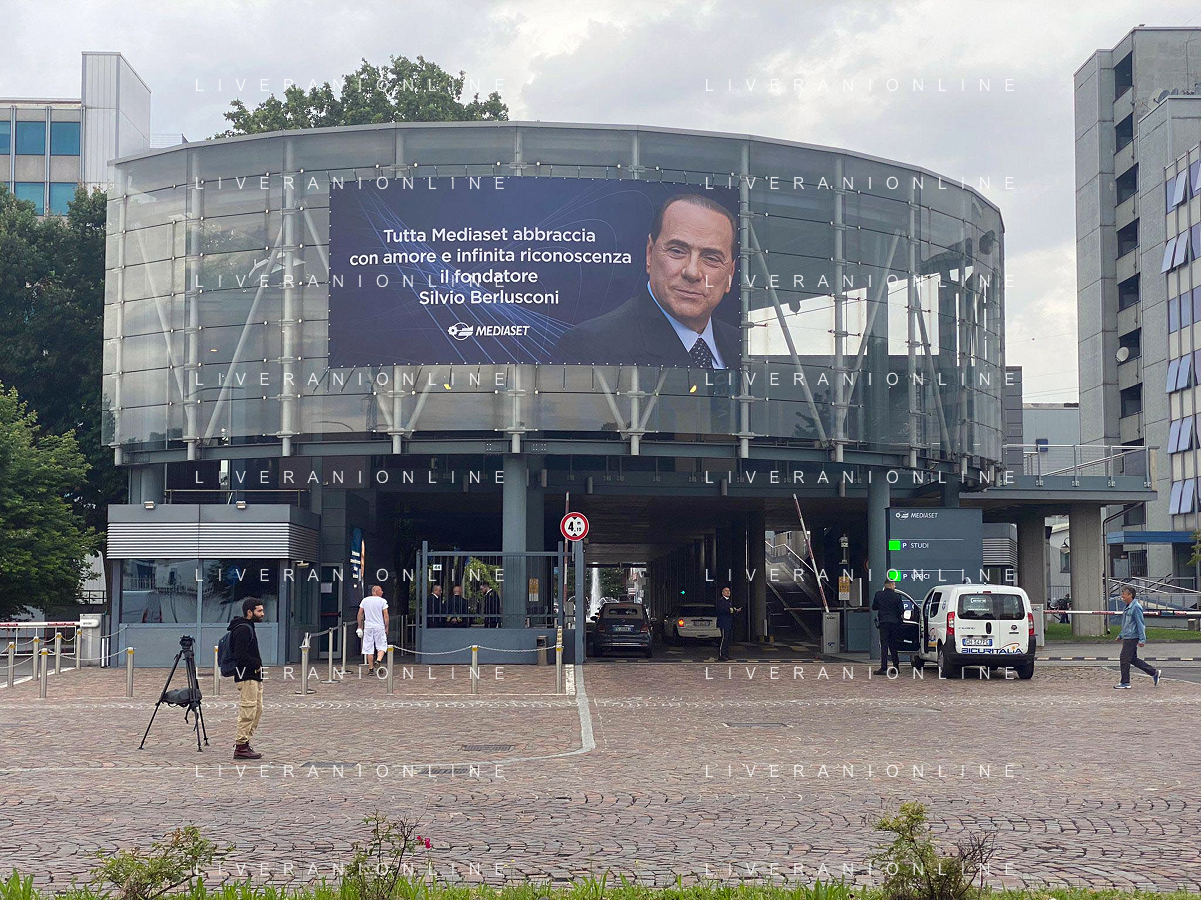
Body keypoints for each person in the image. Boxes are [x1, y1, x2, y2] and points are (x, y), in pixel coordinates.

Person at [552, 193, 740, 368]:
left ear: (730, 274)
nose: (692, 272)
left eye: (711, 258)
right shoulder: (590, 347)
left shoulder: (742, 346)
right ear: (650, 254)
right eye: (677, 251)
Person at [227, 597, 265, 760]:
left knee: (257, 709)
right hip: (247, 676)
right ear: (250, 612)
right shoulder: (243, 629)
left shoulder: (248, 626)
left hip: (254, 676)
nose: (262, 614)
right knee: (248, 710)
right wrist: (256, 664)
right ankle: (241, 746)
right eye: (259, 611)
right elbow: (240, 655)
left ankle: (245, 742)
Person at [1114, 586, 1161, 689]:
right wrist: (1121, 635)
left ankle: (1125, 682)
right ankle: (1153, 672)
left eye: (1124, 594)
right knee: (1132, 659)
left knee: (1124, 658)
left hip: (1132, 637)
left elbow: (1140, 624)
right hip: (1127, 636)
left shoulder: (1136, 607)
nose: (1122, 596)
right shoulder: (1127, 607)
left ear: (1130, 595)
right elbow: (1126, 624)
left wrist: (1142, 639)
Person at [871, 578, 905, 675]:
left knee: (884, 645)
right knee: (893, 645)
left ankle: (883, 667)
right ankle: (896, 667)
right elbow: (901, 610)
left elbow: (874, 607)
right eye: (894, 585)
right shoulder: (897, 596)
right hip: (894, 623)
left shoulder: (878, 595)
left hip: (883, 622)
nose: (895, 586)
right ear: (891, 585)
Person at [357, 584, 390, 674]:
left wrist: (360, 626)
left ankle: (371, 668)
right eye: (381, 590)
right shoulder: (382, 601)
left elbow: (360, 614)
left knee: (369, 648)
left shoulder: (365, 600)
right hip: (379, 626)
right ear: (376, 591)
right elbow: (386, 615)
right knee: (382, 646)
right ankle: (378, 660)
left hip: (368, 626)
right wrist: (386, 627)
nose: (382, 592)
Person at [716, 585, 741, 661]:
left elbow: (731, 610)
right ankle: (721, 655)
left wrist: (735, 610)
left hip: (728, 622)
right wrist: (734, 610)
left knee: (727, 640)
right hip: (723, 623)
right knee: (723, 639)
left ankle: (726, 654)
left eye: (729, 591)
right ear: (722, 593)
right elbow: (725, 610)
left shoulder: (729, 601)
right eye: (726, 591)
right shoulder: (721, 601)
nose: (728, 592)